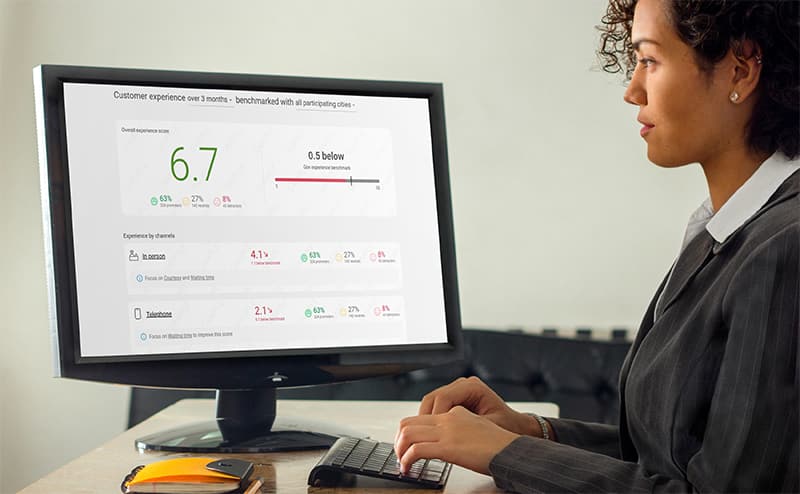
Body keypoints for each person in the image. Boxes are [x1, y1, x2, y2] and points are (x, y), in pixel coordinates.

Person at [394, 0, 799, 492]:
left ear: (741, 69)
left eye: (649, 60)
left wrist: (505, 454)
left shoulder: (784, 249)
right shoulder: (728, 229)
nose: (632, 90)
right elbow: (671, 457)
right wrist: (530, 433)